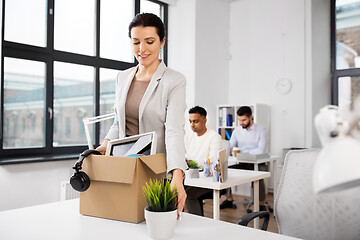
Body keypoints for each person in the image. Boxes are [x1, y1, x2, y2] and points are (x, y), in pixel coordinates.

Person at [96, 13, 187, 219]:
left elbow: (174, 130)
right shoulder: (123, 77)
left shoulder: (174, 80)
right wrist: (104, 146)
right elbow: (119, 122)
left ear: (162, 42)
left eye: (149, 41)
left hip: (154, 171)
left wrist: (177, 176)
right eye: (135, 42)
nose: (141, 49)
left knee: (154, 225)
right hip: (123, 167)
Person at [220, 106, 268, 210]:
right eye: (239, 120)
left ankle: (261, 204)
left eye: (244, 120)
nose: (241, 122)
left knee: (258, 175)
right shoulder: (237, 130)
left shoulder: (261, 130)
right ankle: (229, 199)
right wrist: (227, 148)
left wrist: (240, 152)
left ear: (251, 117)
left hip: (258, 163)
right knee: (226, 171)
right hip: (242, 162)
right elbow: (231, 145)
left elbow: (261, 150)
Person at [184, 106, 224, 216]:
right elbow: (183, 157)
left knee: (190, 195)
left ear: (205, 120)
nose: (192, 125)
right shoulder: (188, 137)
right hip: (193, 176)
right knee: (175, 189)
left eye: (196, 121)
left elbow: (213, 161)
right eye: (190, 121)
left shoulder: (214, 137)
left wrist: (193, 162)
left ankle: (198, 223)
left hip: (209, 179)